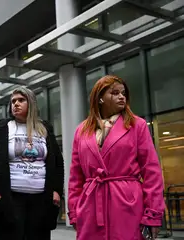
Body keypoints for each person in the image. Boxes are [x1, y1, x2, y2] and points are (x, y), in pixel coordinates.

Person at [68, 75, 165, 240]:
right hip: (90, 206)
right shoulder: (82, 130)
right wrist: (75, 210)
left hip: (127, 204)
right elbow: (75, 177)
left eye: (123, 93)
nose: (122, 97)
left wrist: (153, 214)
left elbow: (151, 171)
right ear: (99, 98)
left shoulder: (137, 125)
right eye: (114, 93)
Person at [0, 86, 64, 240]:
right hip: (11, 200)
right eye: (13, 101)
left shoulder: (44, 128)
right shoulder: (3, 127)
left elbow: (58, 163)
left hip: (41, 200)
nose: (16, 104)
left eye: (21, 100)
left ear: (31, 103)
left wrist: (56, 191)